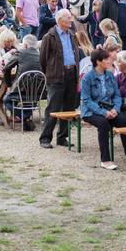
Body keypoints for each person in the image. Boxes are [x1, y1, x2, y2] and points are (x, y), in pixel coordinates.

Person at [80, 48, 126, 170]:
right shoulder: (87, 78)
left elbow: (117, 96)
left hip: (110, 109)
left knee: (124, 121)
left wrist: (115, 109)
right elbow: (87, 101)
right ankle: (105, 160)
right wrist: (104, 112)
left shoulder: (110, 75)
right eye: (106, 59)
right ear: (98, 62)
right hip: (91, 111)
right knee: (103, 123)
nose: (110, 60)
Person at [39, 9, 80, 149]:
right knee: (53, 107)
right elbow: (43, 59)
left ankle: (62, 137)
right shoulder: (49, 37)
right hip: (56, 75)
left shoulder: (72, 35)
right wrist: (51, 72)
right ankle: (45, 138)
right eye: (68, 18)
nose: (71, 20)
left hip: (71, 73)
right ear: (61, 20)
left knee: (68, 107)